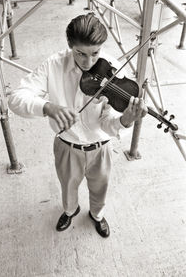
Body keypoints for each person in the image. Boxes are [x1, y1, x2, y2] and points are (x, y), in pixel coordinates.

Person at [9, 13, 147, 238]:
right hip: (67, 145)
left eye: (95, 53)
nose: (88, 62)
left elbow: (108, 124)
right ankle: (70, 211)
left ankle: (97, 215)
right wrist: (47, 107)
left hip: (100, 148)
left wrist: (126, 120)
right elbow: (16, 98)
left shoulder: (112, 68)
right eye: (80, 53)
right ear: (70, 45)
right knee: (68, 186)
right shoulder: (54, 64)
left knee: (100, 188)